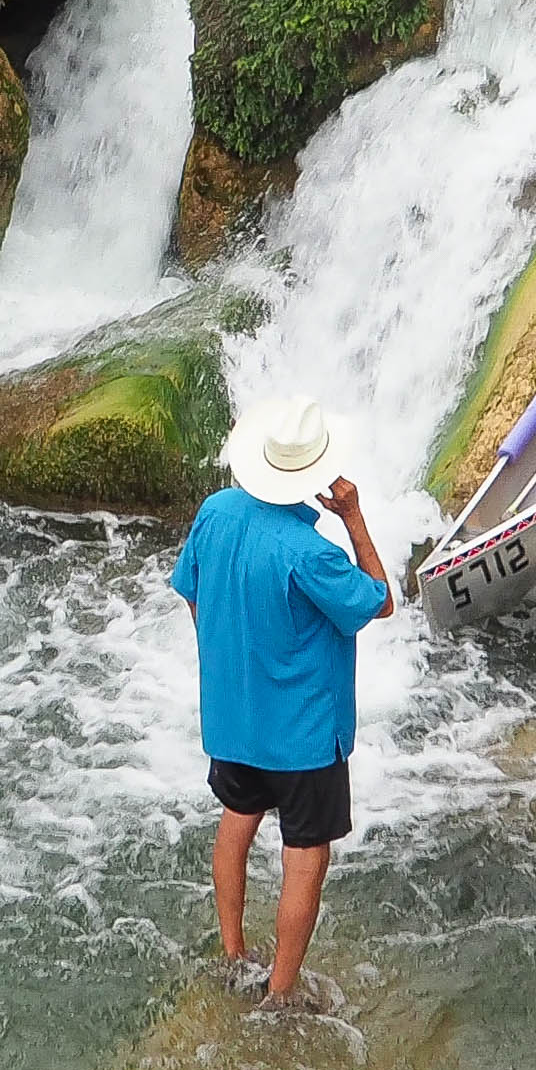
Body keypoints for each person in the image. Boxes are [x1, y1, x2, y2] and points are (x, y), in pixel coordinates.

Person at [168, 393, 391, 1004]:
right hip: (304, 734)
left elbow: (191, 594)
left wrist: (226, 659)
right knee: (305, 856)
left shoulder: (215, 512)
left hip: (234, 719)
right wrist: (354, 517)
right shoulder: (310, 552)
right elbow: (378, 600)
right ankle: (280, 994)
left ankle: (233, 952)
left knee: (236, 822)